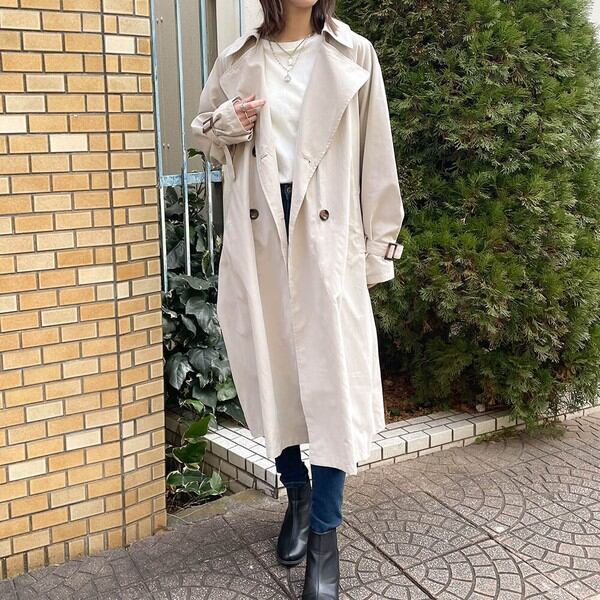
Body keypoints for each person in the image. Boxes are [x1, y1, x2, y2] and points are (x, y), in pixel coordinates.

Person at [190, 1, 405, 597]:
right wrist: (229, 121)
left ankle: (325, 540)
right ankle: (299, 497)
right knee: (272, 374)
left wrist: (378, 247)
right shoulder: (237, 57)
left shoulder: (353, 52)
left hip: (327, 233)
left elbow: (377, 155)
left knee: (333, 387)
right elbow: (202, 134)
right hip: (260, 230)